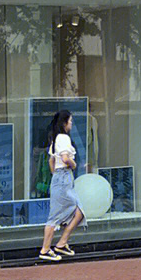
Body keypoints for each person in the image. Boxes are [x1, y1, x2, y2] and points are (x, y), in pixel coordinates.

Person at [39, 109, 84, 263]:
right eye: (70, 121)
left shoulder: (56, 139)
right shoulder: (63, 138)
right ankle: (45, 249)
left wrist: (55, 175)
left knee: (79, 211)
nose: (71, 124)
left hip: (61, 178)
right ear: (65, 123)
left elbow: (51, 160)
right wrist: (73, 164)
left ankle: (61, 243)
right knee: (56, 215)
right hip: (64, 177)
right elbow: (65, 158)